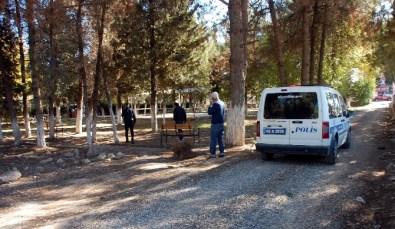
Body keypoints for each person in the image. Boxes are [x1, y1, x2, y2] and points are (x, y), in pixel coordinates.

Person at [208, 91, 226, 158]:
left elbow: (210, 112)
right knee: (221, 139)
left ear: (213, 98)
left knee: (213, 139)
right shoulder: (222, 103)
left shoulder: (215, 104)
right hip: (221, 123)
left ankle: (212, 154)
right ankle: (221, 152)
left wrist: (210, 106)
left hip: (215, 124)